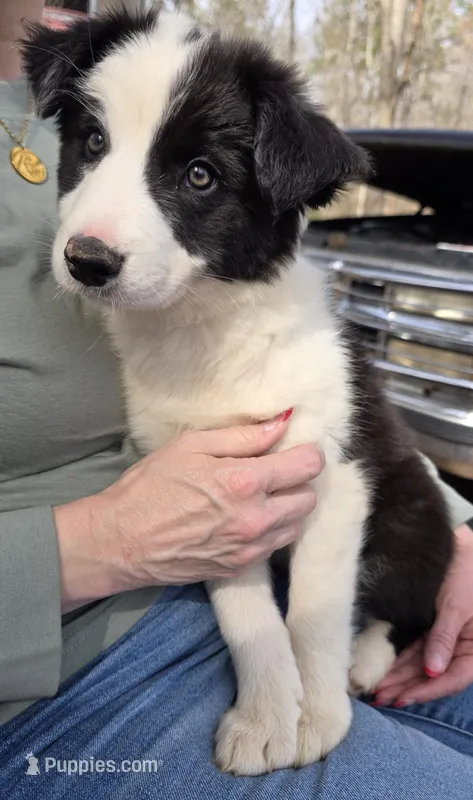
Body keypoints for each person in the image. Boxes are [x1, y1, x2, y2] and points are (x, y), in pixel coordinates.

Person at [0, 2, 472, 797]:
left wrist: (456, 531)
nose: (96, 228)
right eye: (95, 144)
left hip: (282, 579)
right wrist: (104, 543)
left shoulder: (105, 64)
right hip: (68, 678)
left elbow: (338, 457)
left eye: (198, 175)